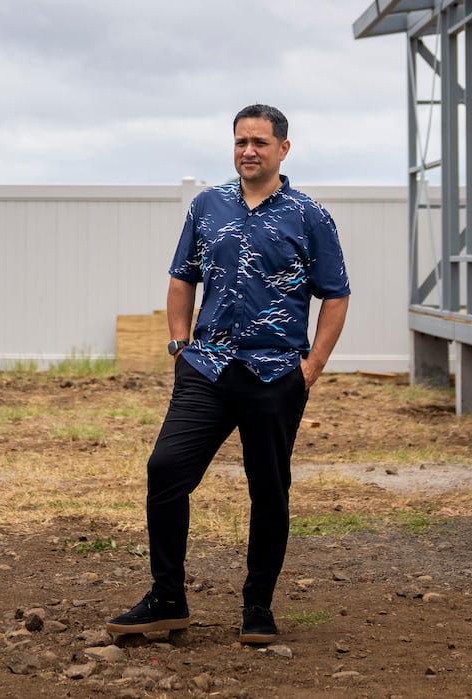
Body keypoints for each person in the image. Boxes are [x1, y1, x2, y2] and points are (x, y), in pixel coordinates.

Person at [107, 103, 350, 646]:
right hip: (207, 368)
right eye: (241, 141)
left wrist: (310, 368)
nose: (248, 151)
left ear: (283, 149)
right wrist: (178, 344)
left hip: (274, 375)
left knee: (269, 491)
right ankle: (167, 599)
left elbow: (335, 295)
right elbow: (181, 278)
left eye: (260, 142)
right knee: (165, 470)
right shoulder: (207, 206)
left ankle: (257, 608)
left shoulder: (309, 216)